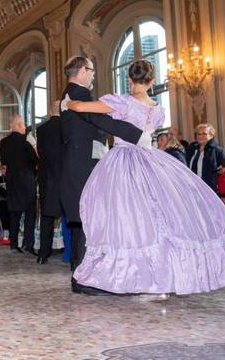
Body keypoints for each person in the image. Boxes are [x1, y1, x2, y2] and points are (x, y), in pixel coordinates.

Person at [66, 60, 225, 298]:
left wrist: (68, 102)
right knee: (157, 217)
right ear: (152, 82)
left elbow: (82, 108)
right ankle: (160, 275)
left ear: (129, 80)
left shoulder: (122, 102)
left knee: (124, 218)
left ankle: (131, 276)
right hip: (150, 160)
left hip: (122, 161)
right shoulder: (158, 109)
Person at [59, 56, 144, 296]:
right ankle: (84, 280)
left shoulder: (69, 93)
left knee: (82, 221)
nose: (94, 75)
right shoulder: (79, 95)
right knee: (88, 218)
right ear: (84, 70)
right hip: (84, 163)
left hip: (78, 162)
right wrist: (137, 135)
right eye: (93, 70)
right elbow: (99, 119)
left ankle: (81, 277)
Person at [0, 115, 38, 253]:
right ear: (19, 126)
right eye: (23, 125)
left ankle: (13, 244)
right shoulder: (26, 141)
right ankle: (28, 244)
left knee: (14, 213)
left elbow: (4, 161)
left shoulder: (3, 142)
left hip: (12, 181)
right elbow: (35, 160)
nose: (24, 128)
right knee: (30, 213)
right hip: (27, 181)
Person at [36, 100, 63, 265]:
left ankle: (42, 255)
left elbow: (40, 152)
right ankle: (75, 257)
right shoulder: (67, 126)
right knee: (70, 216)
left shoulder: (41, 129)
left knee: (46, 215)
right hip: (65, 175)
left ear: (50, 112)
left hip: (46, 176)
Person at [186, 123, 225, 193]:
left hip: (211, 191)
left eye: (204, 134)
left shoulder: (219, 151)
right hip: (193, 190)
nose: (200, 136)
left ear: (211, 135)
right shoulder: (191, 150)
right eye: (198, 134)